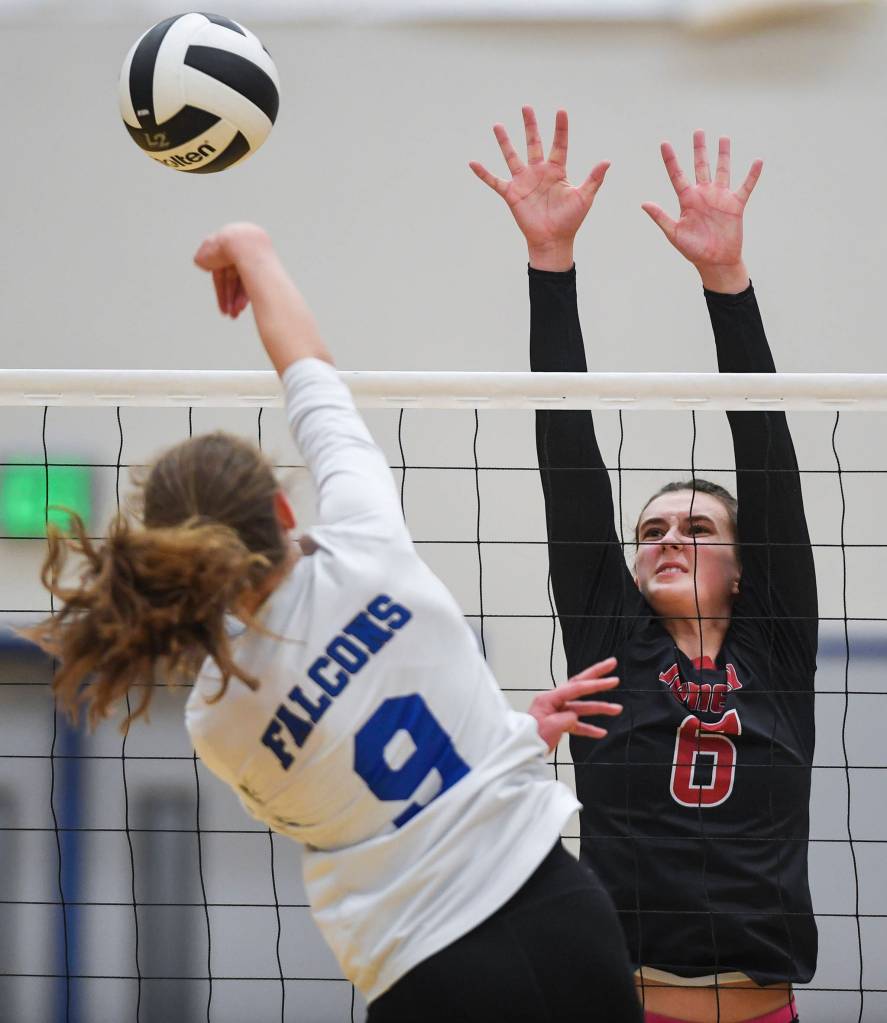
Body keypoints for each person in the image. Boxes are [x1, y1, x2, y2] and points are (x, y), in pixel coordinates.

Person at [28, 223, 644, 1022]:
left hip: (424, 974)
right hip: (560, 914)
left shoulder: (218, 716)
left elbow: (358, 802)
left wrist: (506, 737)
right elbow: (310, 375)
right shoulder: (365, 541)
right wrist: (252, 250)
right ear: (282, 507)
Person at [471, 109, 816, 1023]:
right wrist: (551, 263)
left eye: (696, 528)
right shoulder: (609, 636)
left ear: (743, 567)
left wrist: (724, 280)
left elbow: (767, 452)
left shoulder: (777, 649)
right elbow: (567, 452)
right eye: (651, 528)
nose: (665, 536)